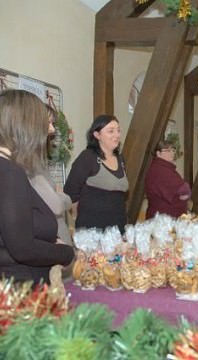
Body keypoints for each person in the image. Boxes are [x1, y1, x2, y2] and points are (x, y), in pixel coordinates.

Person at [0, 89, 75, 284]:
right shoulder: (9, 173)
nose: (50, 131)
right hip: (21, 291)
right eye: (44, 123)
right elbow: (22, 249)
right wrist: (65, 252)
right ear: (24, 126)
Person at [64, 115, 129, 233]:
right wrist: (76, 216)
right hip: (92, 231)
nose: (117, 135)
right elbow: (70, 191)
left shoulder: (120, 159)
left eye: (118, 130)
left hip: (118, 229)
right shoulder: (88, 157)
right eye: (111, 131)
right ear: (97, 135)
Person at [29, 104, 72, 247]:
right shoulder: (29, 163)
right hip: (49, 245)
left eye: (53, 123)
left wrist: (56, 195)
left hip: (59, 239)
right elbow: (56, 205)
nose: (52, 129)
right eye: (48, 123)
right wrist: (64, 197)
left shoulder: (38, 160)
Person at [145, 140, 191, 219]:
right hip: (163, 220)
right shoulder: (159, 170)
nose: (172, 153)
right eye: (167, 150)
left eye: (173, 150)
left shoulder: (166, 168)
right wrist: (185, 190)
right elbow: (184, 189)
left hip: (167, 218)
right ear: (158, 153)